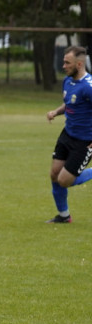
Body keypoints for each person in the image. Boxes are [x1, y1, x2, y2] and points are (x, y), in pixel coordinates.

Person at [45, 45, 92, 223]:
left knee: (64, 180)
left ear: (79, 64)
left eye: (67, 62)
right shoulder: (68, 81)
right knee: (54, 175)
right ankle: (64, 216)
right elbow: (71, 104)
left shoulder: (89, 87)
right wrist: (56, 112)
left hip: (85, 141)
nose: (63, 65)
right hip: (67, 134)